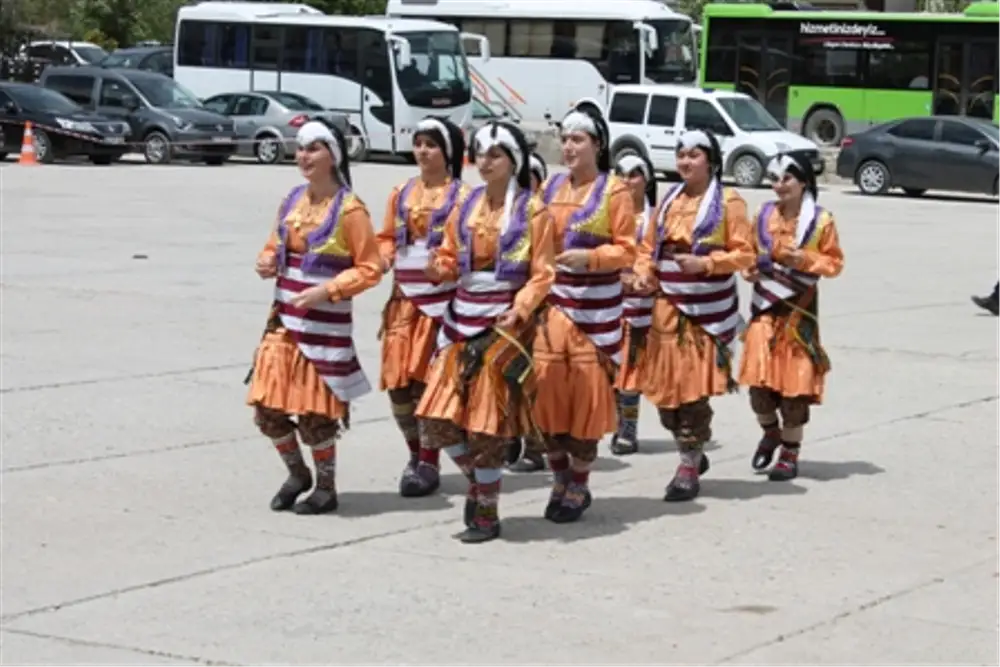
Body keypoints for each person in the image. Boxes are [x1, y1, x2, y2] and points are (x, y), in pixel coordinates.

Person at [416, 121, 555, 543]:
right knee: (435, 418)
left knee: (485, 425)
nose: (485, 162)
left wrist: (521, 309)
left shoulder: (534, 211)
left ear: (514, 161)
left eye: (495, 155)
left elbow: (542, 274)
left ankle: (487, 513)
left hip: (503, 323)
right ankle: (479, 485)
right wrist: (438, 267)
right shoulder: (467, 204)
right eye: (480, 154)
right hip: (460, 319)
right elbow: (449, 254)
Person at [247, 120, 382, 515]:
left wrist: (328, 291)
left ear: (333, 157)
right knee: (266, 410)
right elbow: (274, 245)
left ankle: (326, 487)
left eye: (314, 149)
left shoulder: (351, 210)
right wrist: (267, 261)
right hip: (284, 321)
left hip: (324, 328)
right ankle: (297, 473)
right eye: (301, 149)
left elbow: (371, 268)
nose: (304, 156)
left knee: (315, 415)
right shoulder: (292, 200)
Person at [633, 129, 754, 502]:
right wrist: (643, 273)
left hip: (705, 315)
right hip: (666, 309)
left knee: (690, 393)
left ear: (711, 161)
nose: (685, 161)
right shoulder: (669, 199)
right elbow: (647, 249)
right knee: (664, 395)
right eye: (681, 154)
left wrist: (706, 263)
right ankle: (693, 449)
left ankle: (688, 464)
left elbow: (745, 254)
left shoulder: (729, 203)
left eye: (694, 155)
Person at [534, 103, 637, 523]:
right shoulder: (549, 189)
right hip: (554, 307)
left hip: (596, 315)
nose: (569, 147)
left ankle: (579, 481)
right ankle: (559, 476)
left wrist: (591, 258)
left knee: (585, 400)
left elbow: (628, 250)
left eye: (578, 139)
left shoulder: (615, 192)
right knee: (547, 395)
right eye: (565, 139)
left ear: (597, 145)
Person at [377, 116, 469, 498]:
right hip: (403, 303)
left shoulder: (464, 198)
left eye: (431, 144)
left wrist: (444, 269)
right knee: (398, 385)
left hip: (442, 305)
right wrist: (383, 257)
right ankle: (415, 453)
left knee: (428, 386)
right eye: (418, 143)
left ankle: (430, 461)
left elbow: (470, 250)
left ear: (447, 151)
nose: (422, 151)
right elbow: (386, 237)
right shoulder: (401, 192)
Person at [740, 154, 845, 481]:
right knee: (758, 387)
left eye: (787, 178)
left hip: (799, 312)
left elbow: (834, 264)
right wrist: (750, 270)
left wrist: (804, 259)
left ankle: (789, 452)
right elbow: (747, 253)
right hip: (765, 309)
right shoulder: (763, 214)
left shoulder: (821, 220)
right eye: (775, 178)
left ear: (803, 181)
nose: (779, 185)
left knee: (794, 391)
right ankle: (770, 432)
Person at [504, 150, 550, 473]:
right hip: (503, 307)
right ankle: (509, 436)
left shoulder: (543, 216)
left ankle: (535, 447)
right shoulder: (501, 214)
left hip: (540, 308)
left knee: (533, 380)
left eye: (530, 182)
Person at [610, 153, 657, 456]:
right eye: (622, 174)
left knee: (631, 369)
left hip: (641, 303)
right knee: (611, 369)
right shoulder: (607, 214)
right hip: (608, 301)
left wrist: (643, 277)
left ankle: (628, 430)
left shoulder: (656, 218)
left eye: (634, 174)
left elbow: (658, 256)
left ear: (647, 180)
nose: (627, 181)